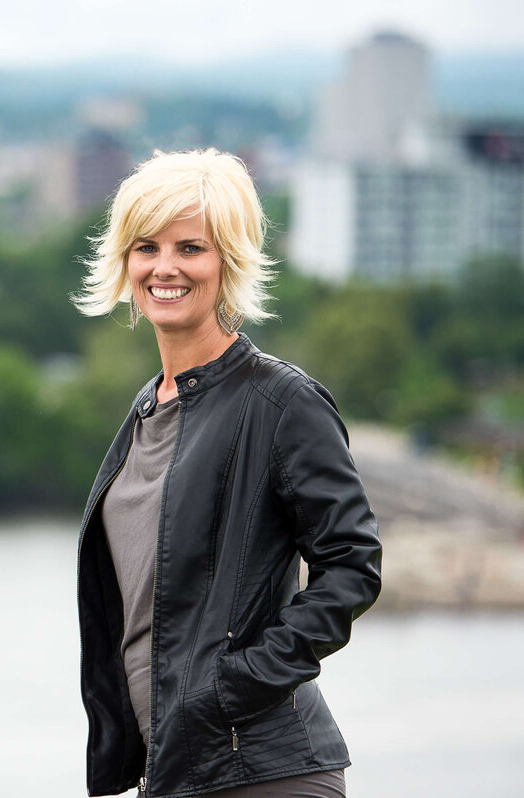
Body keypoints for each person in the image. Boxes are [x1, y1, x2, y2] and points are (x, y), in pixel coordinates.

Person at [71, 149, 382, 797]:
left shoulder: (280, 402)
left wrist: (231, 687)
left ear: (229, 262)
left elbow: (352, 566)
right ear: (125, 263)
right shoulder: (147, 410)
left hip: (265, 770)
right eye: (146, 246)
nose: (165, 267)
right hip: (176, 769)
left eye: (191, 247)